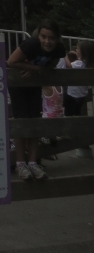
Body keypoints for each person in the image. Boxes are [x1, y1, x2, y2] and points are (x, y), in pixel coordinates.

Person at [7, 20, 70, 181]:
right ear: (38, 35)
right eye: (44, 36)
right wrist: (35, 69)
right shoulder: (31, 45)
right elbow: (11, 61)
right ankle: (21, 163)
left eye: (51, 38)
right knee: (22, 122)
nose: (47, 41)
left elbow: (55, 60)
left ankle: (33, 162)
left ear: (57, 39)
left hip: (34, 85)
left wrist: (43, 70)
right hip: (18, 84)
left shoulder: (59, 49)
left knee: (35, 122)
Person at [65, 40, 94, 117]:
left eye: (77, 49)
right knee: (77, 111)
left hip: (73, 95)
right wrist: (78, 56)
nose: (76, 50)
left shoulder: (78, 63)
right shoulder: (88, 64)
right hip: (82, 94)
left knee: (69, 113)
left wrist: (65, 56)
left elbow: (69, 66)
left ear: (82, 53)